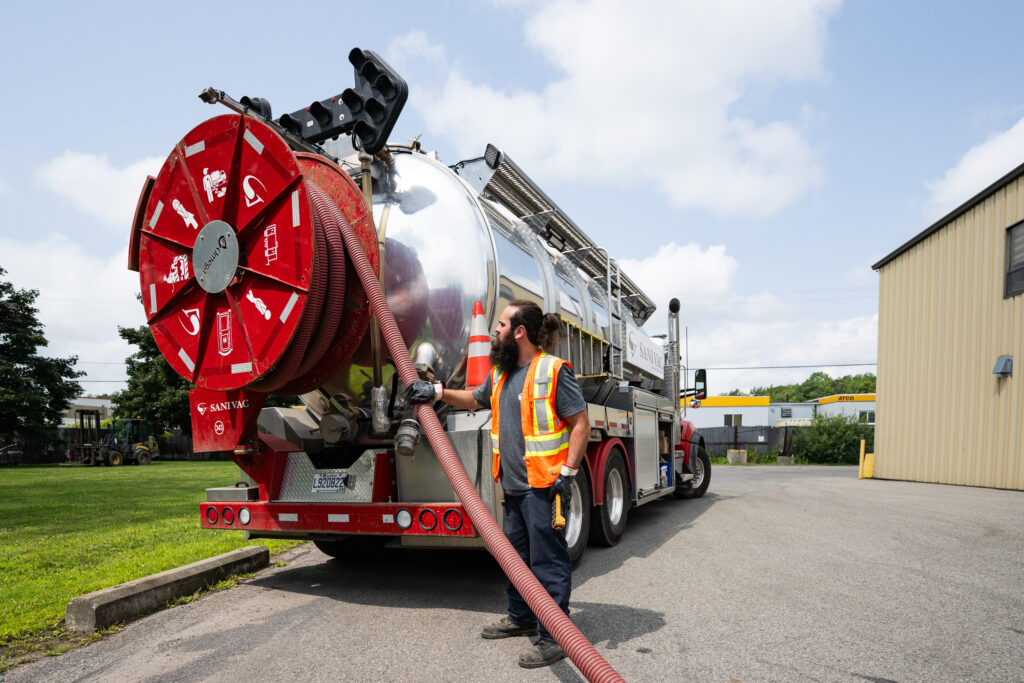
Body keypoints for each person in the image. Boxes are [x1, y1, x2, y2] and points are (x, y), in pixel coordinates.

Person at [406, 299, 590, 669]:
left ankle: (555, 636)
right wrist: (437, 392)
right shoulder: (502, 374)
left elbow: (581, 424)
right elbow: (475, 398)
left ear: (519, 332)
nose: (495, 330)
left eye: (502, 324)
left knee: (547, 561)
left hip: (544, 487)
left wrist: (567, 475)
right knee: (516, 558)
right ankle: (521, 617)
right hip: (514, 486)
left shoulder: (553, 370)